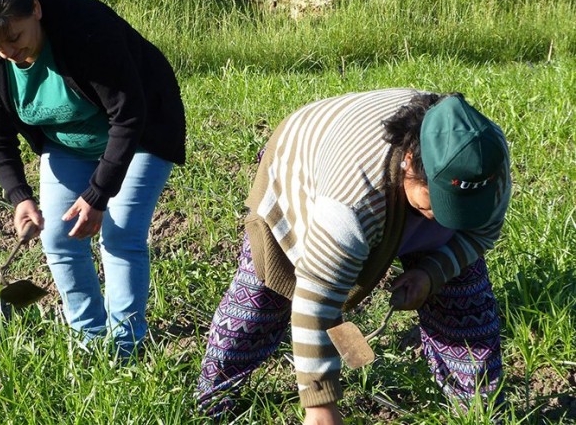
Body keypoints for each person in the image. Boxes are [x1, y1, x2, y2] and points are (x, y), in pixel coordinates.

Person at [196, 89, 511, 423]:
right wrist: (320, 406)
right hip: (305, 163)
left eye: (464, 209)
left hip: (383, 189)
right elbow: (315, 301)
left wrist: (432, 273)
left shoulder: (484, 163)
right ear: (408, 164)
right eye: (438, 203)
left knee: (466, 307)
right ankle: (211, 404)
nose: (449, 218)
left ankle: (481, 412)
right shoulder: (351, 199)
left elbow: (479, 232)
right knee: (260, 303)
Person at [0, 0, 186, 359]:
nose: (8, 53)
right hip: (69, 143)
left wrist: (98, 195)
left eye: (14, 37)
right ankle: (89, 338)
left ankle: (126, 348)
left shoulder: (85, 26)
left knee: (120, 234)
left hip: (142, 134)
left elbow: (129, 115)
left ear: (35, 8)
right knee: (58, 238)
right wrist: (19, 196)